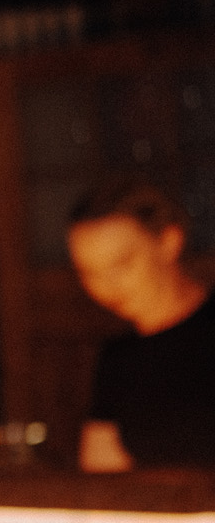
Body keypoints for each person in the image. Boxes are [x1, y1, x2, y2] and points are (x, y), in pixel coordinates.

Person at [67, 179, 214, 471]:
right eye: (89, 273)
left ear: (169, 242)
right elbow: (103, 475)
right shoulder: (118, 359)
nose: (106, 287)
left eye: (121, 265)